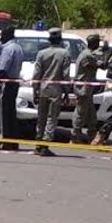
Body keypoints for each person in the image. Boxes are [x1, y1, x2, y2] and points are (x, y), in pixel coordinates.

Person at [31, 27, 72, 157]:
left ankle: (38, 143)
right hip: (56, 89)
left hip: (43, 88)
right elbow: (65, 74)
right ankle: (45, 144)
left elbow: (37, 73)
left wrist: (35, 90)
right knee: (51, 118)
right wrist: (67, 91)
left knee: (41, 118)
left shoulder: (41, 53)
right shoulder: (64, 53)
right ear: (60, 39)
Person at [0, 24, 24, 150]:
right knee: (12, 112)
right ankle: (13, 140)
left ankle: (4, 140)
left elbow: (3, 69)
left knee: (4, 113)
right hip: (15, 82)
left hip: (6, 83)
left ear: (6, 35)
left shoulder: (7, 49)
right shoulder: (18, 47)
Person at [71, 34, 103, 145]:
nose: (98, 44)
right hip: (83, 88)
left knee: (91, 114)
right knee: (80, 112)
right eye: (97, 42)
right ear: (93, 43)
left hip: (87, 89)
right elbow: (100, 65)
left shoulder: (88, 54)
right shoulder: (87, 55)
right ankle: (75, 136)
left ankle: (92, 135)